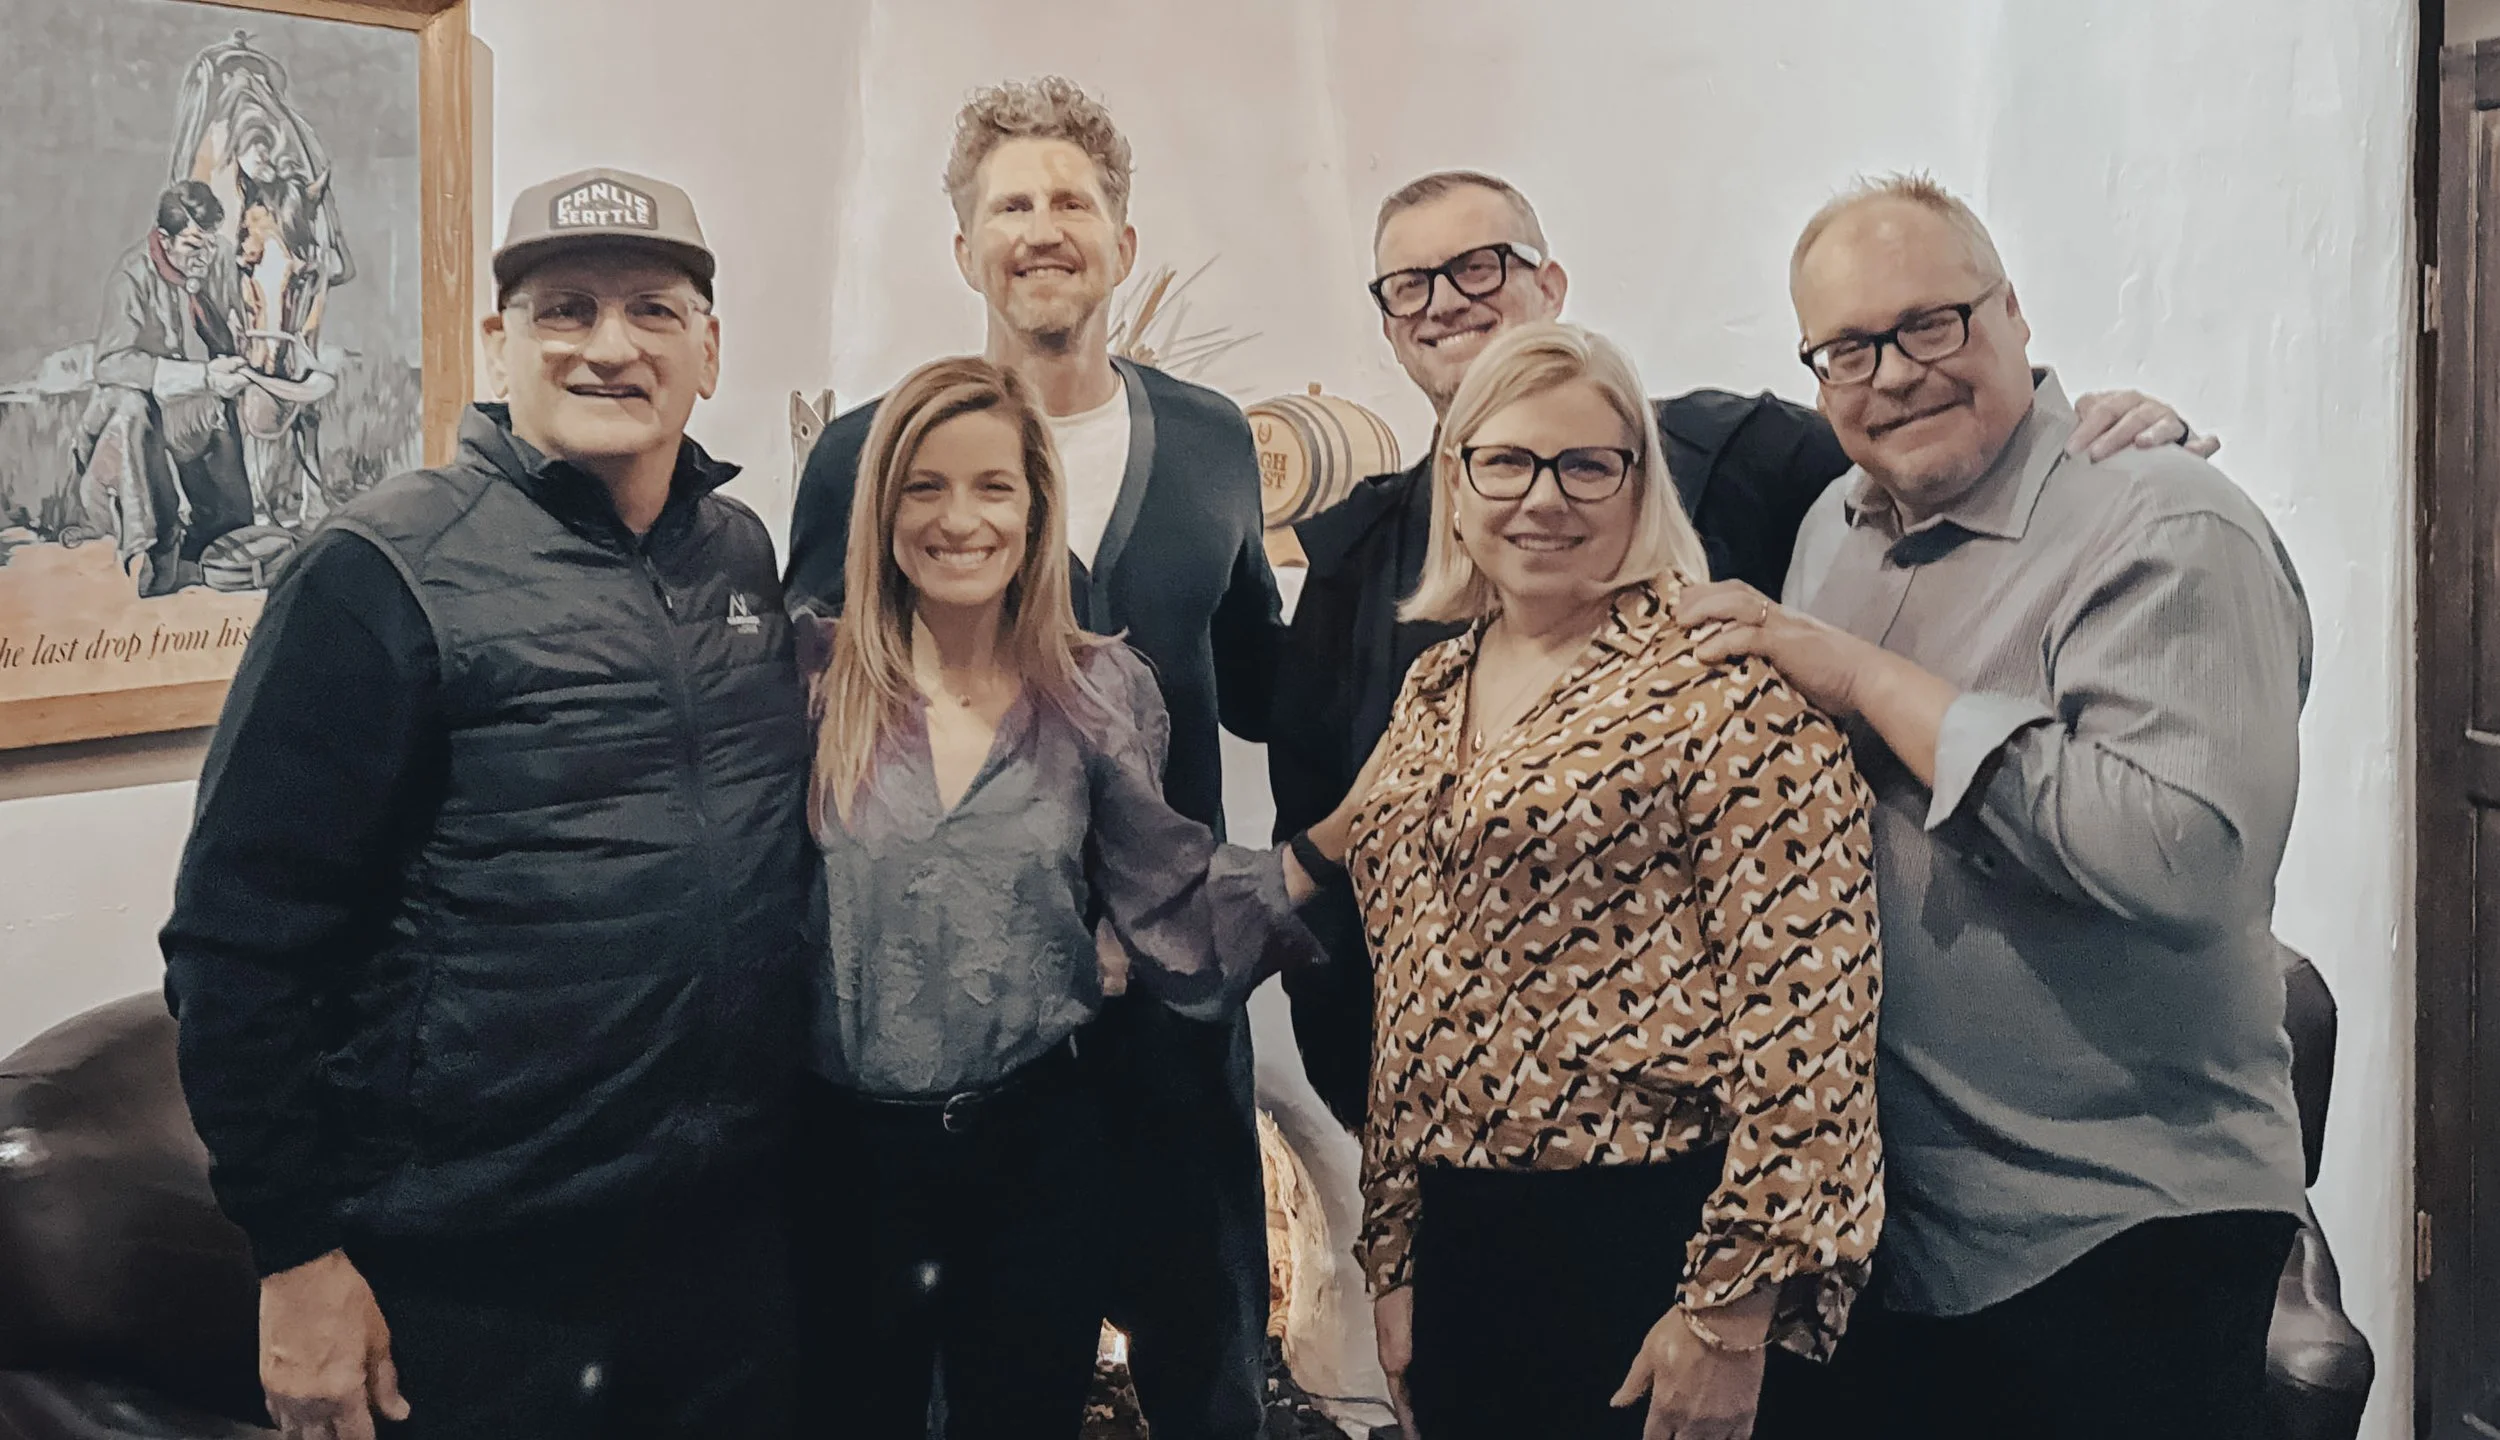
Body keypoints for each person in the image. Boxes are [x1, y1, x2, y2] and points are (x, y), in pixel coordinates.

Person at [1268, 168, 2212, 1138]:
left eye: (1477, 266)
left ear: (1549, 285)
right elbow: (1336, 861)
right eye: (1409, 284)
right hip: (1456, 1150)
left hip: (1714, 1148)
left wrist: (2090, 432)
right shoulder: (1357, 580)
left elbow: (1916, 437)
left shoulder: (1735, 455)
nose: (1445, 301)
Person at [160, 167, 813, 1440]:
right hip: (476, 1287)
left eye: (654, 311)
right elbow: (236, 949)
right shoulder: (375, 573)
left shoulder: (736, 552)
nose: (610, 346)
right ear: (499, 341)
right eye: (565, 307)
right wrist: (295, 1261)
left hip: (728, 1256)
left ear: (711, 350)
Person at [1686, 173, 2309, 1440]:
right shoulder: (1833, 527)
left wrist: (1870, 680)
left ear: (2013, 313)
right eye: (1849, 347)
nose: (1897, 373)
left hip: (2113, 1228)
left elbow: (2181, 859)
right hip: (1895, 1233)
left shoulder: (2166, 520)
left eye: (1933, 323)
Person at [784, 78, 1281, 1440]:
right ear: (964, 250)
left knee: (1205, 1347)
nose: (1045, 229)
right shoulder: (862, 458)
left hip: (1164, 1011)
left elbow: (1267, 687)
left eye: (1074, 201)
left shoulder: (1217, 443)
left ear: (1122, 239)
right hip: (953, 1043)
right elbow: (804, 725)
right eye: (1013, 203)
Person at [793, 355, 1357, 1438]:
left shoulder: (1101, 688)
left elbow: (1170, 901)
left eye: (992, 486)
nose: (960, 518)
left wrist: (1332, 840)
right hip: (847, 1165)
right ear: (881, 507)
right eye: (925, 485)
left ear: (1035, 506)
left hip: (1035, 1154)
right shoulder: (811, 684)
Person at [1339, 321, 1883, 1440]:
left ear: (1640, 484)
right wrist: (1393, 1257)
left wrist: (1730, 1312)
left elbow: (1811, 1013)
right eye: (1507, 461)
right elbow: (1405, 983)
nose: (1544, 497)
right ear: (1456, 482)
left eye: (1587, 463)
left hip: (1652, 1239)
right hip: (1463, 1239)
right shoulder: (1435, 685)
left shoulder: (1722, 682)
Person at [73, 179, 256, 595]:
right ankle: (161, 551)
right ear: (164, 239)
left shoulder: (217, 258)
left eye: (211, 243)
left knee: (218, 417)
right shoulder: (131, 277)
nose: (205, 257)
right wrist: (204, 376)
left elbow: (239, 317)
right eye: (193, 246)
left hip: (193, 405)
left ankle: (218, 531)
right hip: (136, 415)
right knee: (133, 409)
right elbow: (110, 364)